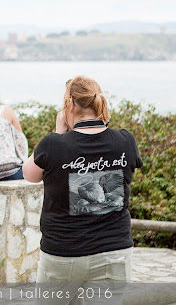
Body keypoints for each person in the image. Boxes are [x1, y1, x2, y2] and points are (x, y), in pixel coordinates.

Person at [23, 76, 143, 304]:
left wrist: (58, 133)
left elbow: (29, 175)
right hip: (114, 251)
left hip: (63, 253)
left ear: (69, 105)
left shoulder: (54, 144)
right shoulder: (125, 141)